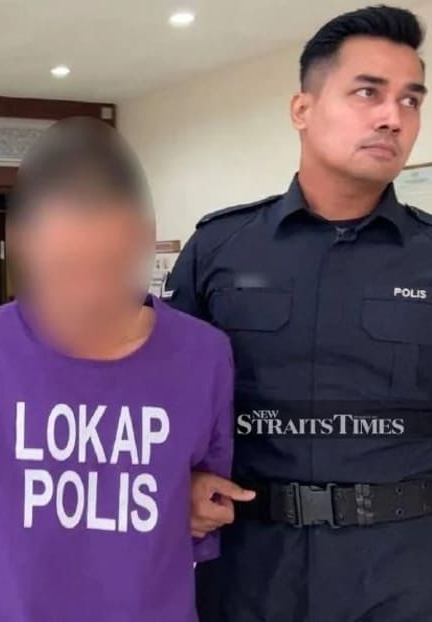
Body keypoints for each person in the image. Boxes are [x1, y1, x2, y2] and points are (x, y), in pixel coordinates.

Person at [0, 117, 235, 621]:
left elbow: (207, 496)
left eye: (108, 267)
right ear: (27, 248)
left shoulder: (203, 355)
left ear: (143, 241)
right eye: (65, 269)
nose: (88, 296)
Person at [171, 6, 432, 621]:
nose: (392, 117)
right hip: (250, 566)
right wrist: (177, 481)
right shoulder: (220, 248)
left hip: (402, 572)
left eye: (411, 100)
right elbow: (163, 392)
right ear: (302, 109)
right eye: (368, 92)